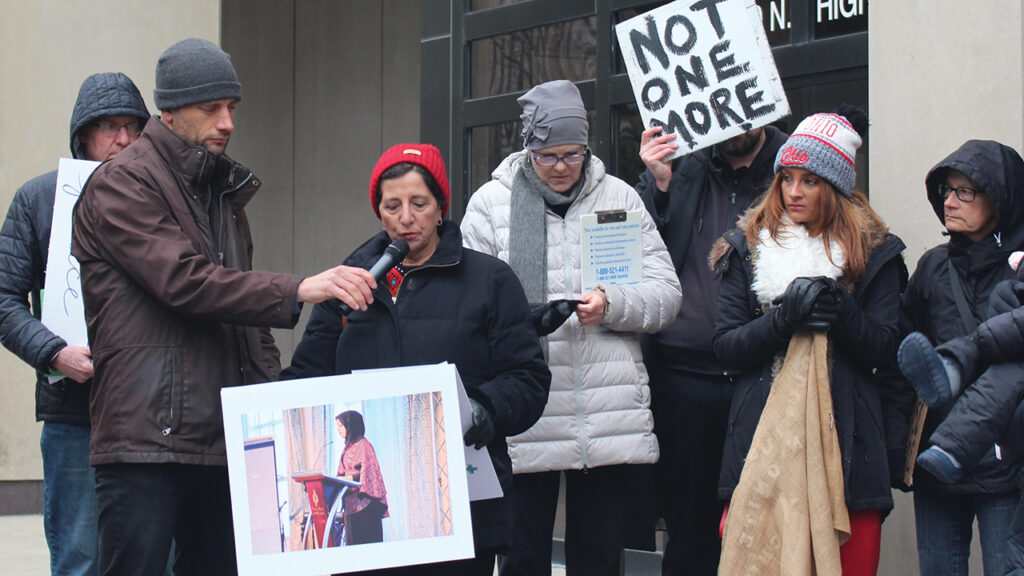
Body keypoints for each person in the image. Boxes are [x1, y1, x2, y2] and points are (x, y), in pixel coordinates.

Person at [71, 38, 380, 576]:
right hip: (146, 442)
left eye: (232, 108)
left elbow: (243, 316)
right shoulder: (118, 184)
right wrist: (300, 288)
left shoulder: (219, 190)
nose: (227, 122)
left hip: (223, 435)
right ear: (168, 111)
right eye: (211, 108)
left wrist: (271, 404)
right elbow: (187, 283)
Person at [283, 142, 551, 575]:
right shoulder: (348, 286)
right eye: (392, 206)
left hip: (460, 507)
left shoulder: (490, 281)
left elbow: (528, 378)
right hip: (366, 541)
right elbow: (308, 375)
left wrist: (486, 407)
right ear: (378, 212)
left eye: (418, 203)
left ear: (441, 207)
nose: (405, 218)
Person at [460, 79, 682, 576]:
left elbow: (667, 295)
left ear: (587, 147)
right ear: (527, 148)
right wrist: (519, 317)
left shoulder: (620, 198)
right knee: (521, 557)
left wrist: (613, 304)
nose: (561, 167)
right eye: (547, 156)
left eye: (573, 154)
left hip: (603, 415)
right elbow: (469, 308)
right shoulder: (490, 206)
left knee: (600, 559)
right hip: (524, 410)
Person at [711, 110, 905, 575]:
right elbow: (726, 347)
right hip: (760, 448)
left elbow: (885, 351)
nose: (794, 192)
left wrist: (841, 310)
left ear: (835, 188)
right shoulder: (747, 246)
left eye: (810, 181)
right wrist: (782, 321)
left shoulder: (876, 251)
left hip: (849, 453)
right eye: (786, 178)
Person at [0, 71, 149, 576]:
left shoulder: (168, 200)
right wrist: (53, 352)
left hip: (152, 414)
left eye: (133, 127)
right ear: (83, 133)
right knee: (80, 558)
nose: (123, 140)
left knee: (162, 557)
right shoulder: (39, 201)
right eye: (109, 126)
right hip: (73, 412)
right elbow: (3, 299)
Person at [635, 116, 787, 575]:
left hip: (762, 379)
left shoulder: (793, 170)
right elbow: (632, 255)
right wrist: (658, 189)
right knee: (688, 532)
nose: (733, 126)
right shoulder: (680, 170)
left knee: (762, 531)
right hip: (682, 383)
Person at [898, 140, 1024, 576]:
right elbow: (904, 353)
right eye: (947, 190)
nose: (950, 201)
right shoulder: (932, 267)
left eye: (966, 191)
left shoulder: (1019, 268)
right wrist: (902, 447)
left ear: (1001, 198)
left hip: (1006, 466)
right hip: (938, 459)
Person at [332, 411, 388, 546]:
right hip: (350, 507)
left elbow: (369, 472)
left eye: (341, 426)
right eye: (337, 426)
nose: (338, 430)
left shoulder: (365, 445)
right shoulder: (347, 448)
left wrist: (351, 477)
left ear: (350, 425)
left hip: (365, 508)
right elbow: (341, 472)